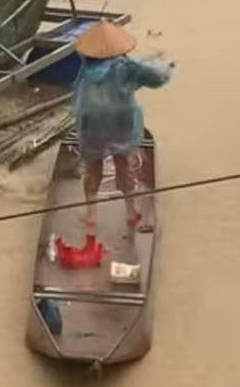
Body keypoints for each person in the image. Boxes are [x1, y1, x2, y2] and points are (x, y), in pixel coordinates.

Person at [71, 21, 172, 236]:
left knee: (92, 168)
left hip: (91, 122)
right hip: (120, 121)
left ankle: (91, 213)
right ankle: (131, 209)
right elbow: (158, 77)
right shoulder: (126, 67)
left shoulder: (85, 66)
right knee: (123, 162)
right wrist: (162, 64)